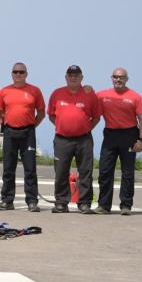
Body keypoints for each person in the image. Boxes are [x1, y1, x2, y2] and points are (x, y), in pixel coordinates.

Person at [48, 65, 102, 214]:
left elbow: (97, 117)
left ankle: (84, 203)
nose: (73, 77)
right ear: (66, 77)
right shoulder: (57, 93)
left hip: (84, 140)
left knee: (85, 172)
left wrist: (85, 128)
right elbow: (51, 115)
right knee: (60, 172)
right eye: (70, 75)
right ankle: (61, 203)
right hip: (62, 140)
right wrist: (62, 125)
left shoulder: (90, 95)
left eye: (76, 75)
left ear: (82, 78)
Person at [96, 67, 142, 216]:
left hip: (129, 135)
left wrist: (141, 140)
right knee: (105, 171)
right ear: (111, 78)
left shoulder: (135, 97)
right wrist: (87, 89)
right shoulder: (101, 95)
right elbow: (87, 99)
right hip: (110, 135)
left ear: (127, 79)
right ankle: (104, 206)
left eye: (121, 77)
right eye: (115, 77)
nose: (118, 79)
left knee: (127, 172)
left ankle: (126, 205)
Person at [0, 62, 45, 212]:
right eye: (15, 72)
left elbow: (41, 112)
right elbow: (0, 112)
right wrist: (10, 122)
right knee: (8, 168)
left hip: (28, 133)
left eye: (21, 72)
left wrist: (31, 126)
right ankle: (7, 200)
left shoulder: (34, 91)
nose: (18, 74)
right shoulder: (4, 91)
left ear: (26, 74)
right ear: (12, 74)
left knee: (30, 168)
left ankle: (32, 201)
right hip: (10, 132)